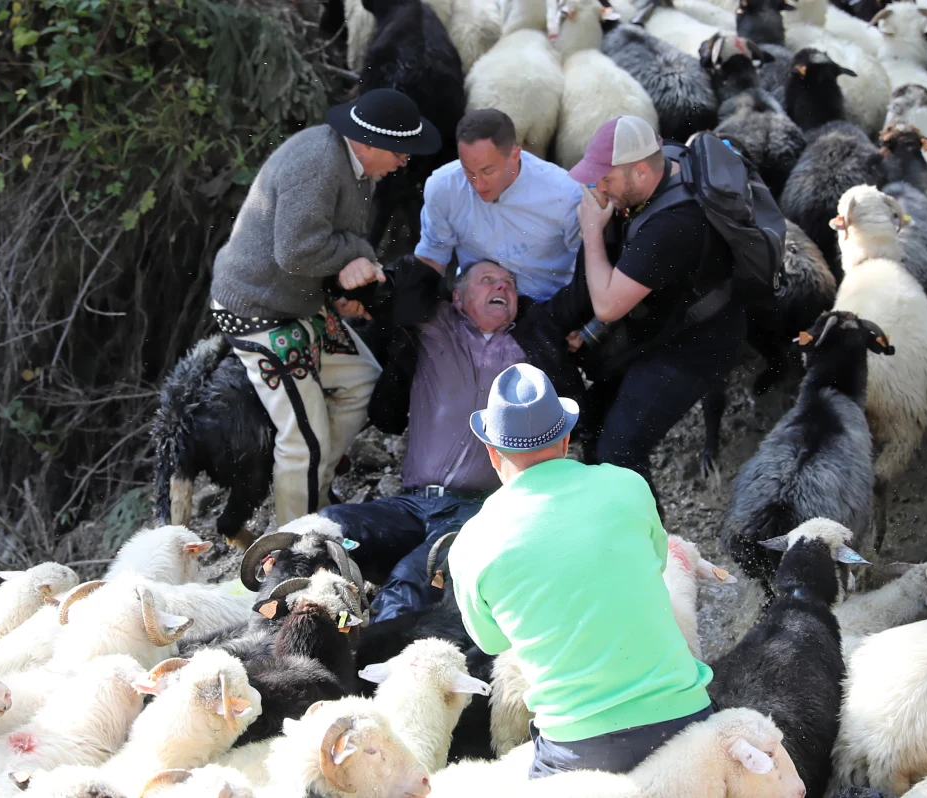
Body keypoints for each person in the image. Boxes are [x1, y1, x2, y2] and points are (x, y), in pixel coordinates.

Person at [447, 363, 714, 778]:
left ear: (492, 451)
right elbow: (656, 565)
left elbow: (493, 638)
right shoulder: (628, 486)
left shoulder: (471, 542)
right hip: (685, 720)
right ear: (566, 437)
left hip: (579, 745)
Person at [208, 89, 441, 531]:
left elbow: (330, 242)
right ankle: (292, 548)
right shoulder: (318, 162)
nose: (404, 162)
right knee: (302, 440)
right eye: (400, 152)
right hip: (260, 310)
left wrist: (342, 282)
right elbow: (296, 251)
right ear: (369, 143)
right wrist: (358, 256)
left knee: (360, 379)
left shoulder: (358, 168)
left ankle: (313, 490)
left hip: (302, 302)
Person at [317, 257, 582, 623]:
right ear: (457, 298)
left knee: (412, 580)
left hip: (475, 510)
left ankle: (368, 667)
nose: (502, 287)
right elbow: (398, 284)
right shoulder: (433, 324)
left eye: (510, 284)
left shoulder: (532, 345)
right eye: (488, 280)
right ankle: (295, 633)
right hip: (410, 506)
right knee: (327, 528)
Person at [569, 115, 746, 503]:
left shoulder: (673, 226)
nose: (598, 188)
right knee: (595, 424)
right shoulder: (666, 164)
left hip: (697, 346)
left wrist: (592, 232)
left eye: (607, 179)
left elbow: (609, 305)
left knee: (620, 450)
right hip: (670, 322)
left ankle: (657, 554)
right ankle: (608, 524)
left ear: (642, 171)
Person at [415, 109, 584, 301]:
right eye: (468, 171)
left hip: (546, 307)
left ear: (515, 155)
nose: (477, 184)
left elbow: (589, 266)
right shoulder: (443, 187)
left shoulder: (566, 193)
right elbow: (432, 257)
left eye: (487, 171)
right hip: (476, 308)